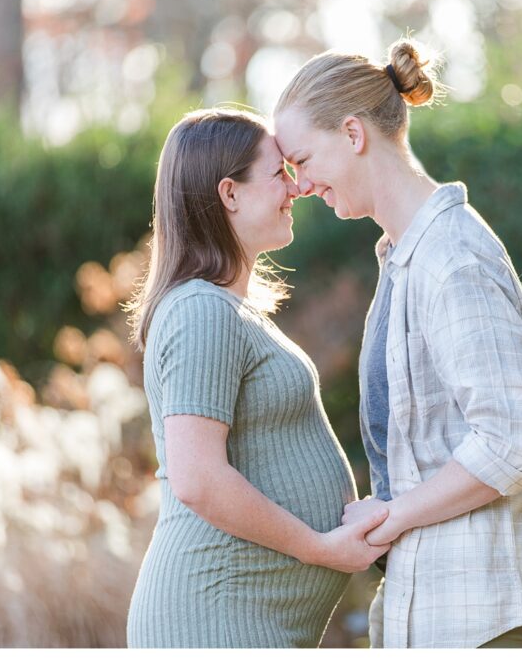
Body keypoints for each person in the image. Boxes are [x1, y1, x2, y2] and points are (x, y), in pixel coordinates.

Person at [273, 40, 522, 649]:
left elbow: (512, 437)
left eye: (303, 160)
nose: (301, 185)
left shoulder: (452, 258)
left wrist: (392, 514)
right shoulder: (405, 262)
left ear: (353, 133)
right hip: (447, 612)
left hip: (496, 618)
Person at [124, 108, 390, 648]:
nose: (297, 188)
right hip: (216, 616)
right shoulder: (201, 309)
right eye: (278, 174)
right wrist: (318, 547)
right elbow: (196, 479)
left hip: (242, 616)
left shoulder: (227, 309)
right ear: (230, 193)